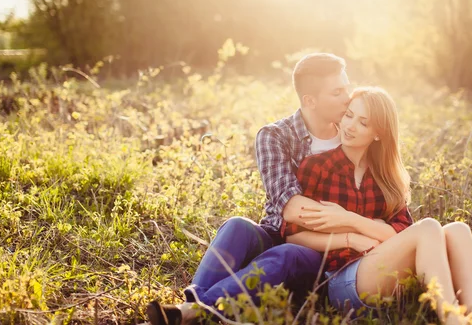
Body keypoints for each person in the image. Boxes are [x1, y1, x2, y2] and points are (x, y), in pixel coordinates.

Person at [146, 53, 355, 325]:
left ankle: (192, 311)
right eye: (337, 92)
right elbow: (291, 208)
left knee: (288, 253)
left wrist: (348, 224)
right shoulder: (275, 135)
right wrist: (338, 216)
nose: (348, 98)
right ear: (310, 100)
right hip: (275, 233)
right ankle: (191, 310)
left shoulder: (353, 135)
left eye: (347, 88)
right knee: (236, 226)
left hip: (320, 252)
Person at [282, 86, 472, 325]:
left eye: (363, 122)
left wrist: (349, 220)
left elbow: (399, 234)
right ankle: (452, 320)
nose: (350, 126)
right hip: (342, 279)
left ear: (378, 133)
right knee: (429, 227)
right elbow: (293, 237)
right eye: (348, 115)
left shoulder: (387, 177)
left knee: (458, 230)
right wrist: (360, 235)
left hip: (388, 274)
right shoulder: (317, 166)